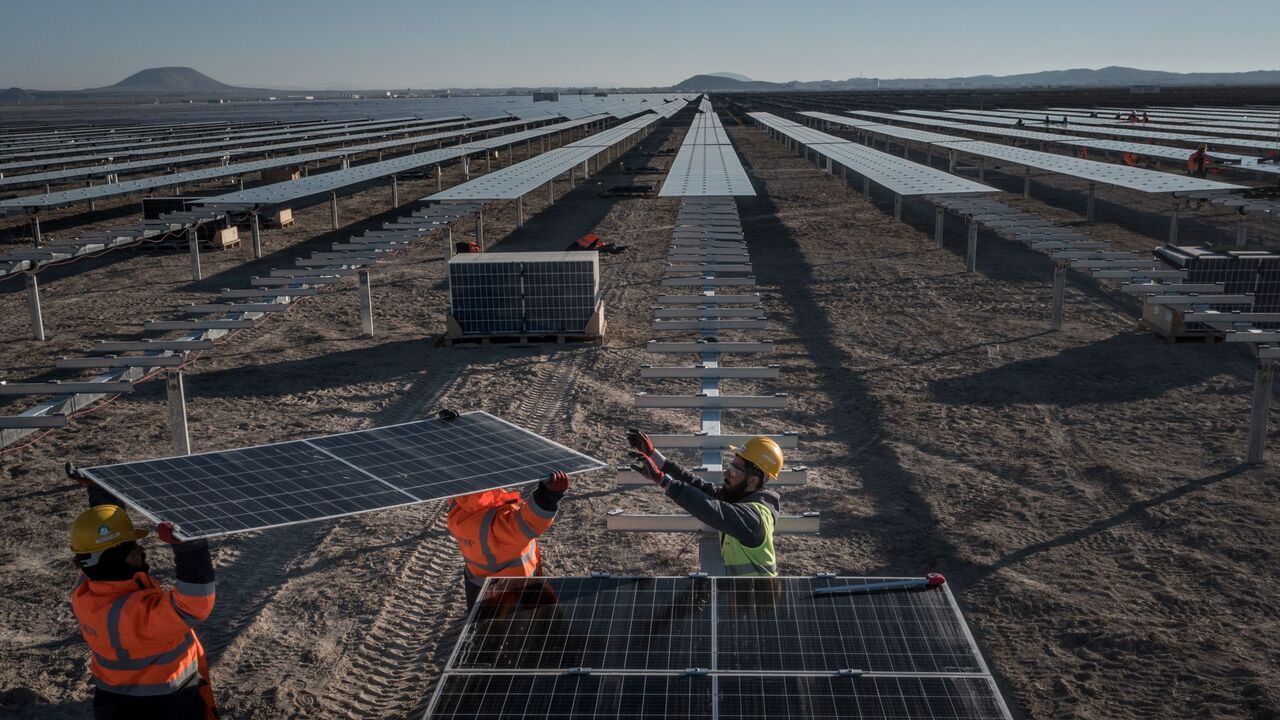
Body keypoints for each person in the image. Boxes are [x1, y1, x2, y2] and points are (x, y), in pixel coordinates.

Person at [69, 504, 218, 719]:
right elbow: (194, 604)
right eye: (132, 548)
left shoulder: (84, 593)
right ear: (113, 560)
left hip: (114, 701)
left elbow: (93, 549)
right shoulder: (134, 614)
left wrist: (101, 499)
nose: (141, 550)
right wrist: (190, 548)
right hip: (164, 705)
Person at [626, 429, 781, 576]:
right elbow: (700, 487)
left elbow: (711, 509)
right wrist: (654, 456)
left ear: (752, 480)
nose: (726, 473)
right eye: (730, 466)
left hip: (758, 595)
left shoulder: (754, 519)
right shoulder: (739, 498)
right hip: (743, 592)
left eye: (734, 470)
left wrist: (663, 480)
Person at [447, 471, 569, 608]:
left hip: (477, 582)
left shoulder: (457, 512)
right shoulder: (496, 523)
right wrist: (547, 497)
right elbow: (528, 523)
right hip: (517, 588)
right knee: (536, 618)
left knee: (481, 619)